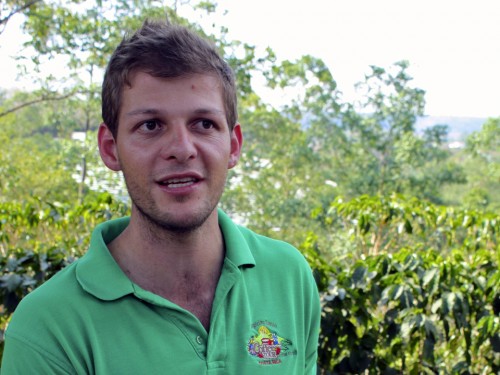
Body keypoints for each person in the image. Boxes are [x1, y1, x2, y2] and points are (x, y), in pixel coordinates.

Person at [1, 20, 320, 374]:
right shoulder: (49, 326)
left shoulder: (289, 276)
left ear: (233, 145)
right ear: (110, 149)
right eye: (151, 125)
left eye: (203, 124)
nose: (182, 150)